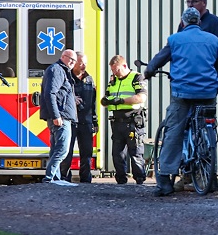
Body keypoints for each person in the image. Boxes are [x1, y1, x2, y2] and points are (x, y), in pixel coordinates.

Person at [145, 7, 218, 196]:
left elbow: (159, 60)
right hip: (208, 92)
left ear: (183, 23)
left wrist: (149, 71)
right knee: (207, 126)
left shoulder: (175, 39)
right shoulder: (213, 40)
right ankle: (210, 178)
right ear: (199, 22)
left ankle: (164, 181)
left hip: (183, 92)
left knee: (174, 130)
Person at [100, 55, 148, 184]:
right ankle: (121, 180)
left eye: (117, 70)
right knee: (117, 154)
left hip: (132, 121)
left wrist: (122, 101)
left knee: (136, 153)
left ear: (124, 66)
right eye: (113, 71)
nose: (115, 73)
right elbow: (107, 97)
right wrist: (104, 101)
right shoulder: (114, 80)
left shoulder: (136, 77)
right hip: (117, 122)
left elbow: (141, 98)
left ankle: (139, 180)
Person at [39, 49, 77, 183]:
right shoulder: (57, 70)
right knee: (62, 150)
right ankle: (49, 178)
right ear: (63, 57)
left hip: (61, 116)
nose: (72, 62)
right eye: (70, 59)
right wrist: (56, 115)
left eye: (75, 61)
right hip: (60, 117)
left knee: (56, 149)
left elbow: (60, 93)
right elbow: (50, 93)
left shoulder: (62, 71)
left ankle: (55, 178)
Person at [59, 51, 98, 183]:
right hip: (70, 120)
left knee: (87, 153)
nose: (83, 66)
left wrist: (95, 121)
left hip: (86, 121)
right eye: (80, 63)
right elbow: (58, 95)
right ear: (74, 63)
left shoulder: (89, 79)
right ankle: (64, 178)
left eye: (85, 63)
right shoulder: (66, 77)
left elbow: (93, 103)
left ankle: (86, 180)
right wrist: (71, 99)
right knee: (67, 152)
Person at [180, 0, 218, 76]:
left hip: (206, 78)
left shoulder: (216, 24)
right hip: (185, 76)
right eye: (188, 2)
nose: (190, 5)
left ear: (204, 3)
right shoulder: (183, 23)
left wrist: (213, 74)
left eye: (194, 1)